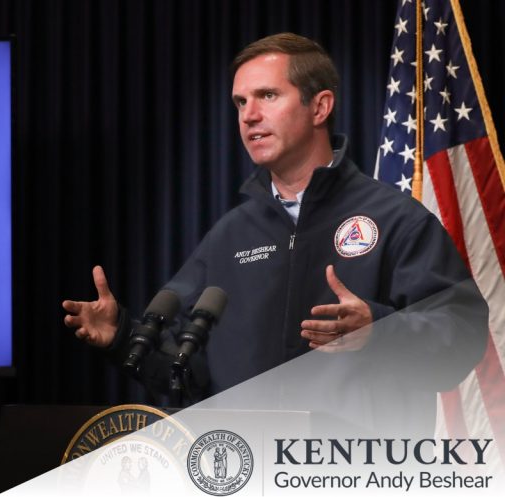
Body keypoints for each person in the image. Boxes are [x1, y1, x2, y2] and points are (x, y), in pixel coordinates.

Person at [62, 33, 487, 433]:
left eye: (267, 95)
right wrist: (121, 337)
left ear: (319, 107)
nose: (248, 115)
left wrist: (378, 330)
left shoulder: (395, 218)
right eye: (240, 101)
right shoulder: (230, 235)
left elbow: (462, 339)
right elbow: (184, 374)